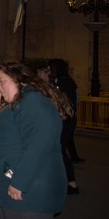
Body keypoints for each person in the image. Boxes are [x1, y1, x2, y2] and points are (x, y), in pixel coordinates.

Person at [0, 62, 71, 219]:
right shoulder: (17, 103)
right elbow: (5, 135)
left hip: (29, 192)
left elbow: (39, 144)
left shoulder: (33, 101)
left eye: (2, 81)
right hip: (12, 186)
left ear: (19, 80)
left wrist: (19, 182)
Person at [47, 59, 82, 194]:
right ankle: (66, 181)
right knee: (60, 150)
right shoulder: (64, 80)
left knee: (60, 151)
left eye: (50, 68)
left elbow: (66, 101)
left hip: (65, 119)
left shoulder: (63, 82)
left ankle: (71, 183)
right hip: (65, 119)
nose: (49, 71)